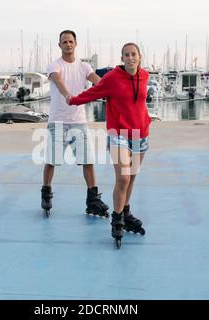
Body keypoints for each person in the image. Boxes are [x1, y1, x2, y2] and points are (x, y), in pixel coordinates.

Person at [68, 43, 151, 248]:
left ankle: (126, 212)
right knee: (122, 177)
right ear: (122, 58)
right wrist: (73, 100)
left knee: (131, 177)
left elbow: (140, 103)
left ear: (139, 57)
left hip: (140, 133)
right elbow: (93, 93)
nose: (130, 58)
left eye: (134, 54)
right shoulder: (113, 78)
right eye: (126, 55)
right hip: (118, 133)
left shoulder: (145, 76)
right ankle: (117, 219)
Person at [41, 30, 109, 218]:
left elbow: (98, 82)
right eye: (64, 42)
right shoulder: (54, 65)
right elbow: (59, 81)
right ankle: (46, 193)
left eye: (71, 41)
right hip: (58, 121)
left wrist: (110, 89)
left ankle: (93, 198)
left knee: (88, 161)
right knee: (52, 160)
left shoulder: (84, 66)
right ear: (59, 45)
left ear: (76, 44)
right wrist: (68, 96)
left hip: (78, 121)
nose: (68, 44)